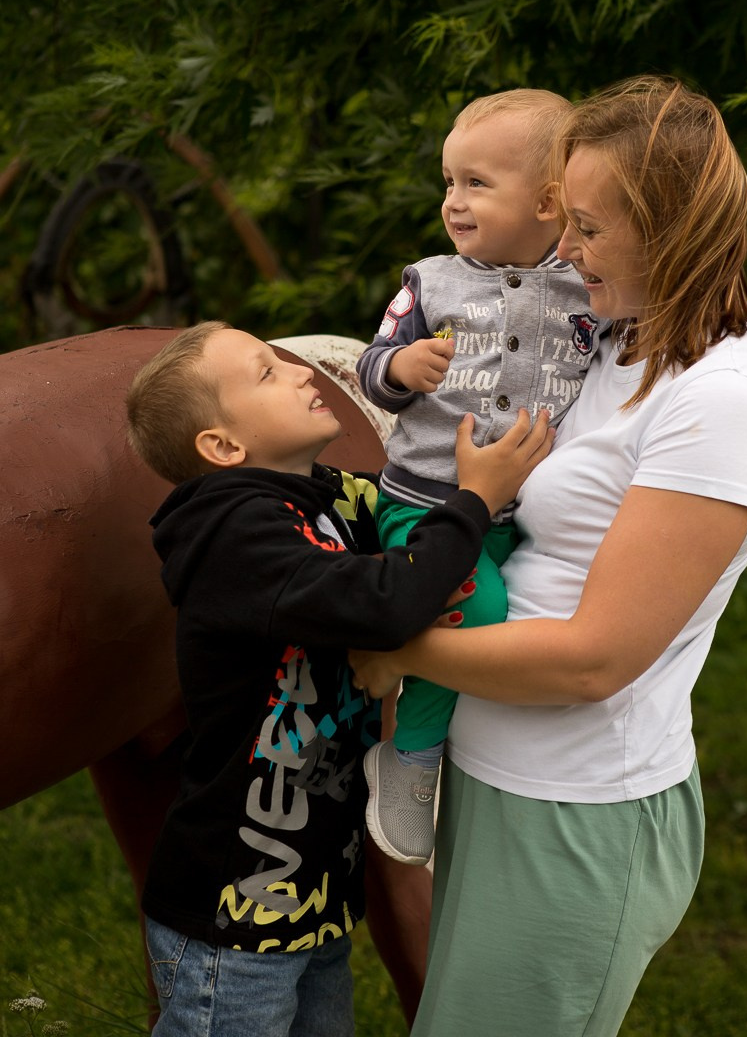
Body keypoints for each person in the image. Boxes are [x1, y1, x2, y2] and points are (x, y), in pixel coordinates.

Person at [350, 75, 747, 1036]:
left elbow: (594, 658)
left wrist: (394, 649)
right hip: (498, 776)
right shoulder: (614, 348)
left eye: (588, 228)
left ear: (670, 225)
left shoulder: (723, 398)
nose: (563, 250)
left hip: (577, 808)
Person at [124, 320, 553, 1037]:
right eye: (266, 372)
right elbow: (383, 602)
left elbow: (405, 561)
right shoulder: (232, 533)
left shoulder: (332, 500)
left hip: (315, 898)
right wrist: (473, 504)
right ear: (224, 447)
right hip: (233, 914)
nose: (300, 370)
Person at [356, 88, 604, 864]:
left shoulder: (583, 288)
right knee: (479, 603)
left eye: (475, 183)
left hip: (520, 510)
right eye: (448, 182)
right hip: (428, 502)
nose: (452, 202)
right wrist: (402, 364)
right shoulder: (430, 282)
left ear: (547, 202)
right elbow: (370, 368)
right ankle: (411, 758)